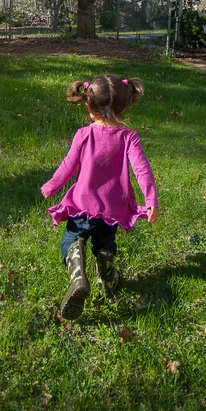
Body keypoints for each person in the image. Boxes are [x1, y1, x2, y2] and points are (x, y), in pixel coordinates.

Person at [40, 74, 158, 320]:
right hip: (113, 209)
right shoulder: (129, 137)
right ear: (125, 106)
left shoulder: (84, 134)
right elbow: (142, 169)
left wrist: (51, 186)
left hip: (83, 204)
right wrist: (151, 201)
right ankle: (107, 278)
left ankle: (78, 277)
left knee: (73, 236)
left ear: (88, 105)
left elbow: (68, 165)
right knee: (105, 243)